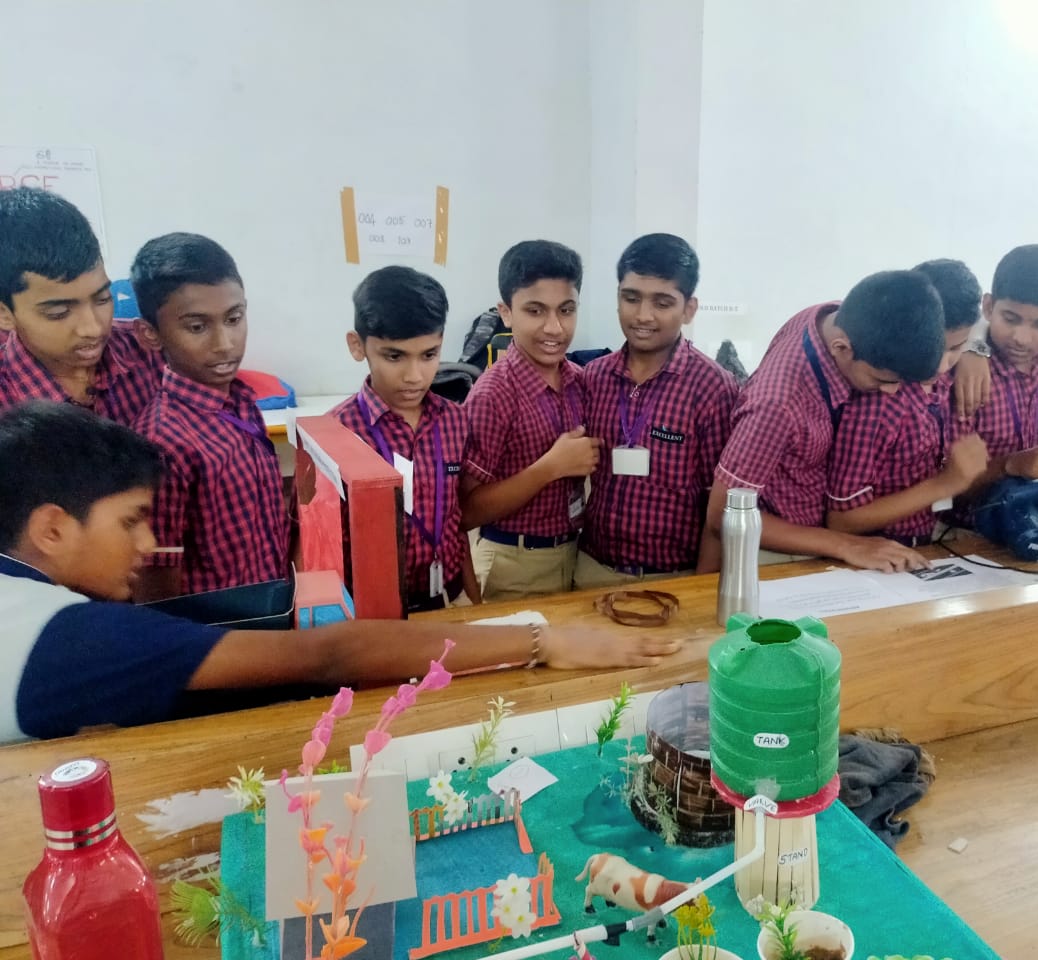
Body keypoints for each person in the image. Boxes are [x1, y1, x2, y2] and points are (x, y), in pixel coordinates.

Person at [0, 401, 679, 742]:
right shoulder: (71, 638)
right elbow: (328, 654)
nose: (150, 542)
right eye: (131, 520)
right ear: (51, 528)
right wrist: (544, 639)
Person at [700, 270, 946, 573]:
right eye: (882, 380)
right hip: (780, 552)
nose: (892, 392)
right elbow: (724, 515)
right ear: (841, 348)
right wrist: (846, 545)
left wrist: (976, 352)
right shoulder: (779, 404)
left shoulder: (832, 317)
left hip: (823, 541)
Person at [130, 234, 287, 599]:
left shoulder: (240, 401)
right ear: (150, 334)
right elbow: (156, 588)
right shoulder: (163, 443)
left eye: (234, 318)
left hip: (271, 608)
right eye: (197, 327)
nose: (225, 343)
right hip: (218, 627)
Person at [577, 234, 738, 587]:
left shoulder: (712, 387)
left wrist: (699, 588)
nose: (643, 316)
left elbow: (718, 503)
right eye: (631, 298)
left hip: (672, 577)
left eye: (662, 303)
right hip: (591, 568)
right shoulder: (593, 377)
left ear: (689, 309)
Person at [330, 266, 477, 609]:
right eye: (394, 356)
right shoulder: (336, 434)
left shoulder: (455, 420)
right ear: (357, 345)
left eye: (429, 355)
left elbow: (455, 520)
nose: (414, 376)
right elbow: (318, 546)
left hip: (448, 596)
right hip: (372, 611)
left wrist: (473, 597)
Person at [461, 240, 600, 600]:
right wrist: (550, 467)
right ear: (506, 313)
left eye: (566, 310)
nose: (554, 327)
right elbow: (465, 511)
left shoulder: (579, 381)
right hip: (513, 565)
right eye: (535, 311)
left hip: (573, 554)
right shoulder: (493, 394)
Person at [826, 260, 989, 545]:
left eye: (955, 348)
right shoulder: (879, 398)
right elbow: (842, 520)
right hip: (880, 548)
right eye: (936, 350)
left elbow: (984, 322)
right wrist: (945, 484)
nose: (941, 366)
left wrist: (975, 350)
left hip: (931, 539)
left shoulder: (952, 377)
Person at [0, 187, 160, 421]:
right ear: (4, 314)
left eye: (102, 298)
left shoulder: (150, 349)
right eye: (59, 312)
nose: (94, 328)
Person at [955, 244, 1038, 496]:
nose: (1022, 338)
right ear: (988, 306)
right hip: (963, 517)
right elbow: (935, 481)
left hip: (1023, 508)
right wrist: (1012, 465)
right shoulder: (961, 369)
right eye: (1010, 319)